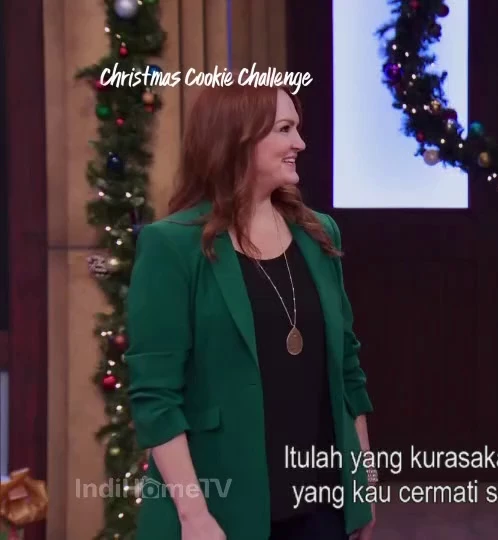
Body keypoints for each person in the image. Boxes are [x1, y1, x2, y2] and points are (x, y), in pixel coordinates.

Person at [126, 84, 377, 540]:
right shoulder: (173, 245)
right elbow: (155, 397)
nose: (300, 142)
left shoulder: (320, 234)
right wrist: (194, 516)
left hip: (322, 511)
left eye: (297, 128)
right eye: (285, 129)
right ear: (238, 138)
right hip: (219, 516)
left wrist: (364, 484)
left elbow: (348, 372)